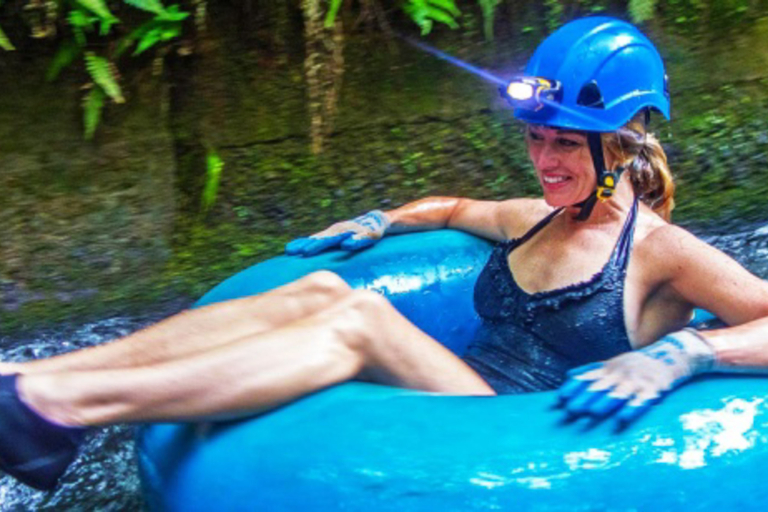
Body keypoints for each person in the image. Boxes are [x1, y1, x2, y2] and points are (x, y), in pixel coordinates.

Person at [1, 16, 768, 492]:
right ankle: (35, 383)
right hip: (455, 392)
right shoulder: (533, 218)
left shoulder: (665, 254)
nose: (543, 160)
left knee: (360, 318)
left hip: (519, 430)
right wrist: (381, 220)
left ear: (622, 143)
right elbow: (452, 208)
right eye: (535, 138)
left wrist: (686, 353)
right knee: (320, 291)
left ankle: (68, 410)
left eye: (565, 143)